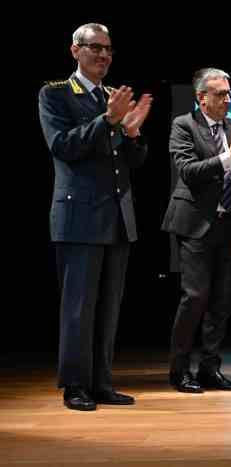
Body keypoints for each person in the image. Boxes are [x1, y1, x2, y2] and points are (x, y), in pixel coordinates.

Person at [38, 23, 153, 410]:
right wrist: (106, 121)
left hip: (118, 218)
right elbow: (62, 146)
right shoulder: (56, 94)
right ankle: (75, 386)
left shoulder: (111, 97)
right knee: (79, 308)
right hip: (80, 217)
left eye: (108, 50)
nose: (103, 56)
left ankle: (101, 383)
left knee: (109, 308)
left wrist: (133, 133)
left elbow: (131, 162)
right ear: (75, 50)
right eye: (95, 48)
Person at [162, 68, 231, 393]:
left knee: (221, 301)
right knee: (195, 298)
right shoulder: (184, 125)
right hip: (196, 225)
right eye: (221, 94)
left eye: (230, 93)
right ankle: (180, 371)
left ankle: (210, 368)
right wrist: (229, 156)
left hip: (229, 224)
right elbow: (189, 172)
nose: (228, 99)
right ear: (202, 98)